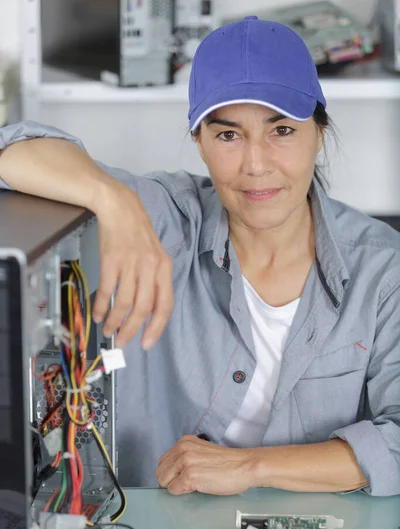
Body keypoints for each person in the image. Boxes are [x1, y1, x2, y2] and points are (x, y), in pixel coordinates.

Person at [0, 17, 399, 497]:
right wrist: (114, 201)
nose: (256, 165)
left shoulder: (383, 270)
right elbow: (11, 148)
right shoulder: (166, 217)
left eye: (282, 131)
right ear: (200, 142)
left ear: (319, 131)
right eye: (228, 135)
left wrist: (249, 467)